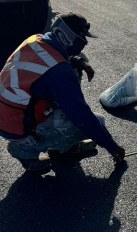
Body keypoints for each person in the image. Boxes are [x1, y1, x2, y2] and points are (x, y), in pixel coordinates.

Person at [0, 13, 126, 175]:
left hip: (9, 113)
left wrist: (79, 62)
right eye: (82, 37)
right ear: (69, 37)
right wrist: (111, 146)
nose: (85, 43)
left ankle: (62, 146)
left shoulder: (36, 39)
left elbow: (54, 57)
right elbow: (81, 115)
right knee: (96, 120)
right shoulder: (58, 72)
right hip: (16, 126)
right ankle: (24, 148)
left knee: (72, 72)